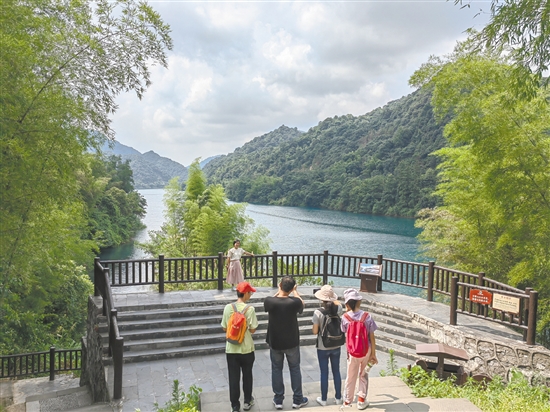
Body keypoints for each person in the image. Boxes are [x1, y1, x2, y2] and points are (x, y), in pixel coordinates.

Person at [264, 276, 309, 410]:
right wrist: (295, 292)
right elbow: (302, 304)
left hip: (275, 342)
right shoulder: (294, 302)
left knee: (276, 369)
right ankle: (297, 399)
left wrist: (279, 290)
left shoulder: (269, 301)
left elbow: (273, 298)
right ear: (292, 288)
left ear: (280, 285)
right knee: (294, 369)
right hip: (291, 342)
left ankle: (278, 400)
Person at [221, 281, 259, 412]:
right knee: (247, 375)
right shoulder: (250, 309)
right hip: (247, 349)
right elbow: (253, 329)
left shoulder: (228, 307)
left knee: (233, 377)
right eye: (250, 293)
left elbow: (224, 327)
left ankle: (235, 405)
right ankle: (247, 401)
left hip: (231, 349)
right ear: (246, 293)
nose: (251, 295)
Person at [340, 288, 378, 410]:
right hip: (366, 350)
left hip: (352, 352)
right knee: (363, 374)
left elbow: (344, 332)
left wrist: (347, 311)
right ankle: (361, 400)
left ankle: (347, 401)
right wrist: (373, 354)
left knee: (351, 376)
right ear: (358, 302)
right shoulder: (367, 316)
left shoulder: (345, 317)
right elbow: (372, 337)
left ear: (347, 303)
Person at [312, 285, 343, 406]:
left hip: (323, 346)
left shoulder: (318, 312)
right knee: (336, 371)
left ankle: (324, 399)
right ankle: (338, 397)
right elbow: (337, 303)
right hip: (336, 344)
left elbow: (315, 331)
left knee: (324, 372)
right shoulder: (339, 309)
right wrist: (332, 297)